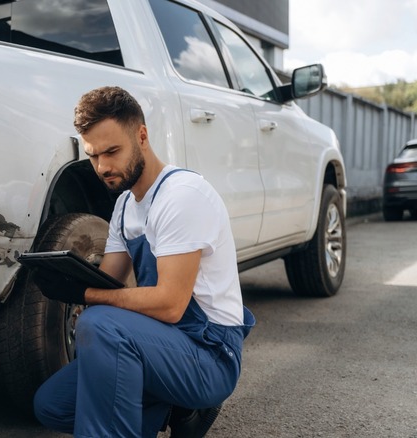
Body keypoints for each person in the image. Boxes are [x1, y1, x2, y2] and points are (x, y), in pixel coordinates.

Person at [32, 86, 255, 438]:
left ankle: (186, 401)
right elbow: (110, 282)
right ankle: (173, 406)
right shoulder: (124, 207)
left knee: (101, 323)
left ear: (142, 135)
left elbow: (169, 305)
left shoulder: (181, 197)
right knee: (52, 404)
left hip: (209, 353)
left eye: (112, 151)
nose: (102, 167)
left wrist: (90, 298)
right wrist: (68, 282)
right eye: (93, 156)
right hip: (163, 344)